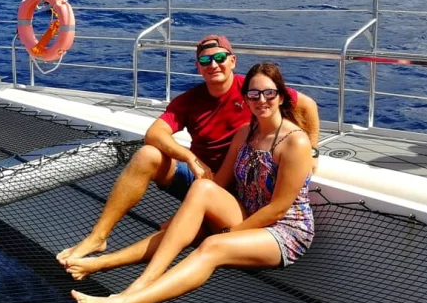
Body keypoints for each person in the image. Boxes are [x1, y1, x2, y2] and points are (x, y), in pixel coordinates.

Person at [70, 62, 316, 303]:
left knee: (212, 245)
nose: (261, 100)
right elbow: (218, 183)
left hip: (284, 231)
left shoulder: (295, 141)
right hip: (248, 213)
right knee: (201, 188)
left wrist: (231, 233)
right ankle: (138, 284)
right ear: (245, 99)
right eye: (253, 94)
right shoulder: (246, 132)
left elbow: (278, 209)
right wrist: (185, 215)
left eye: (269, 93)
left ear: (281, 96)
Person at [57, 35, 319, 264]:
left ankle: (124, 270)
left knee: (187, 225)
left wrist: (313, 150)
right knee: (147, 154)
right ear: (198, 67)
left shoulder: (254, 91)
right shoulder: (190, 100)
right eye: (205, 61)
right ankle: (98, 237)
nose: (213, 65)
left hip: (235, 187)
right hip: (203, 178)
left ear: (232, 61)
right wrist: (189, 157)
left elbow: (308, 106)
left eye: (219, 58)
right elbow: (154, 133)